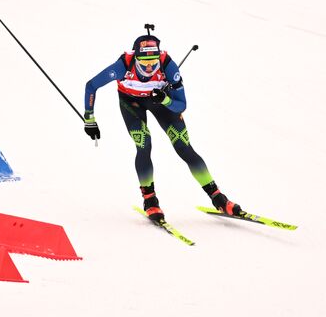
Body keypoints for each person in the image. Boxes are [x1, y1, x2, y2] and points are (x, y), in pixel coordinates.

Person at [83, 30, 244, 224]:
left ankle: (218, 197)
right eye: (144, 64)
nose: (150, 68)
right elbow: (91, 86)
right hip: (130, 102)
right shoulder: (122, 66)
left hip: (158, 101)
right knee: (144, 144)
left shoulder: (168, 65)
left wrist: (166, 99)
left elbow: (181, 104)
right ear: (136, 59)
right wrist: (89, 119)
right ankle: (150, 200)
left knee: (184, 146)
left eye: (154, 63)